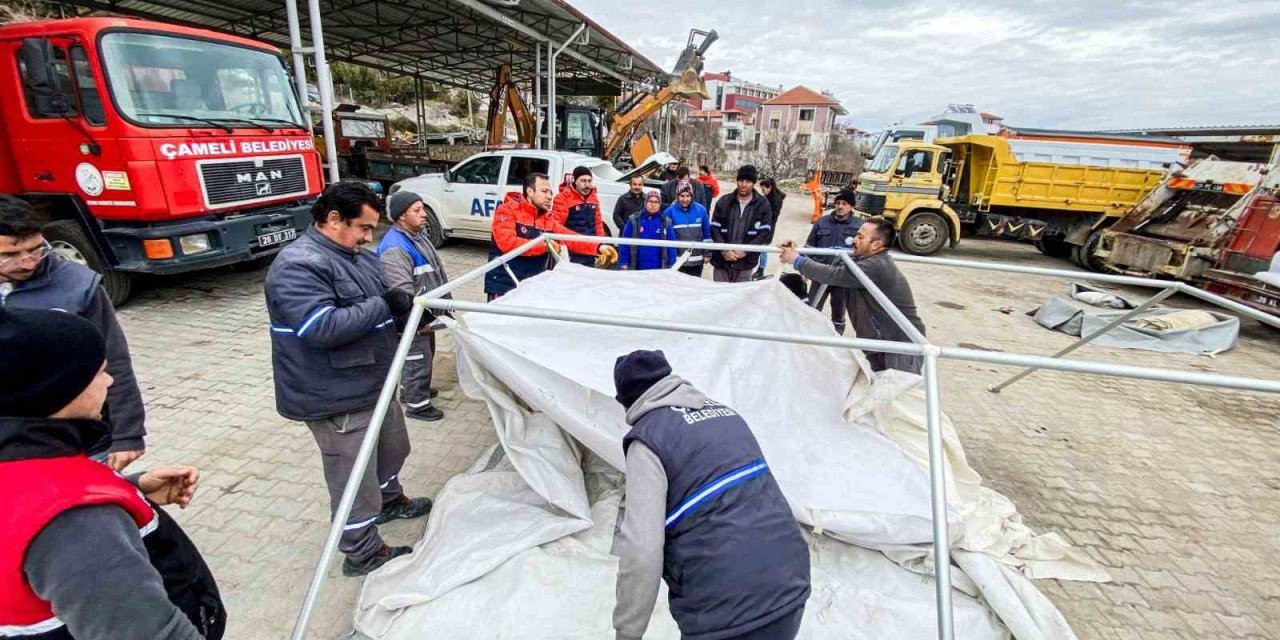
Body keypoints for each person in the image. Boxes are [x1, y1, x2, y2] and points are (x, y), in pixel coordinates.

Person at [0, 307, 225, 640]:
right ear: (59, 391)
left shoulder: (24, 460)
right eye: (100, 372)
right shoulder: (75, 522)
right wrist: (101, 510)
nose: (110, 381)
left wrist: (133, 490)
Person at [264, 181, 433, 577]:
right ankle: (361, 551)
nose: (368, 237)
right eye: (363, 228)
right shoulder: (297, 265)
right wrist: (384, 306)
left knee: (393, 448)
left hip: (372, 383)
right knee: (353, 477)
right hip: (335, 395)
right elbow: (319, 327)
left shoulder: (356, 256)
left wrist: (409, 314)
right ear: (333, 219)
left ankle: (390, 500)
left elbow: (385, 300)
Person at [611, 349, 810, 640]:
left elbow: (642, 551)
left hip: (726, 609)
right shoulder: (728, 416)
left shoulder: (648, 440)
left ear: (626, 400)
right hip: (790, 585)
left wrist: (627, 632)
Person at [0, 194, 146, 471]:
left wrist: (127, 434)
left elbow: (113, 357)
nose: (28, 263)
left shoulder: (77, 286)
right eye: (9, 256)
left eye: (36, 249)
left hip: (80, 443)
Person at [780, 219, 926, 373]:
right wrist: (799, 253)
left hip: (899, 346)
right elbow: (831, 264)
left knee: (896, 387)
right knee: (878, 384)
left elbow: (834, 274)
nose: (853, 240)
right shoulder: (864, 260)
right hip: (878, 343)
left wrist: (797, 260)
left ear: (876, 245)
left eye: (860, 237)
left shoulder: (876, 266)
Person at [376, 191, 450, 422]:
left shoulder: (416, 235)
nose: (424, 214)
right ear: (401, 216)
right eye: (416, 210)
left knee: (424, 355)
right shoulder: (395, 248)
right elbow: (401, 294)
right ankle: (417, 405)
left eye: (423, 208)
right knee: (417, 359)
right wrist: (415, 321)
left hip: (424, 315)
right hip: (413, 319)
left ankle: (412, 391)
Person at [484, 173, 610, 299]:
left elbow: (568, 237)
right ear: (529, 191)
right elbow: (507, 242)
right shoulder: (506, 210)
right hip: (503, 283)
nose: (550, 196)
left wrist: (599, 247)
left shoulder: (546, 218)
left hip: (530, 285)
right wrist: (545, 246)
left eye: (550, 192)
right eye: (544, 191)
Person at [803, 188, 864, 334]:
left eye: (844, 203)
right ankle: (809, 337)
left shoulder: (860, 226)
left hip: (842, 277)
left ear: (851, 206)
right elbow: (809, 247)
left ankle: (836, 337)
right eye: (838, 203)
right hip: (820, 273)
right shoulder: (822, 222)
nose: (840, 206)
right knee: (812, 308)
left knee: (839, 312)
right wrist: (804, 270)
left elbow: (863, 253)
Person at [709, 165, 775, 283]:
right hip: (722, 262)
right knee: (719, 293)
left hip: (746, 263)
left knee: (741, 294)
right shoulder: (724, 201)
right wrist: (724, 251)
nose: (743, 185)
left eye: (748, 181)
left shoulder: (763, 204)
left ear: (754, 183)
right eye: (741, 181)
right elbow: (714, 228)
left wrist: (746, 250)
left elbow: (764, 232)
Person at [552, 167, 608, 266]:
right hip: (572, 251)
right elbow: (556, 226)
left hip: (591, 249)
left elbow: (598, 224)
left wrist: (601, 244)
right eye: (583, 181)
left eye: (589, 181)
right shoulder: (563, 198)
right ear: (575, 181)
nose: (587, 185)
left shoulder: (593, 197)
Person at [618, 192, 677, 271]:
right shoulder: (634, 220)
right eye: (650, 201)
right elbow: (625, 243)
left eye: (656, 202)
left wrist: (672, 265)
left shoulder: (666, 222)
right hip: (637, 269)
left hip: (659, 270)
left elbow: (672, 246)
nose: (653, 205)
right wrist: (623, 263)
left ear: (660, 204)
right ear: (645, 202)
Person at [664, 181, 712, 278]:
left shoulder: (701, 210)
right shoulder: (669, 212)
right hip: (677, 260)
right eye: (682, 196)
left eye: (688, 196)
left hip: (696, 260)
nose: (685, 199)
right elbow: (666, 237)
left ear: (692, 196)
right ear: (677, 196)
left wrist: (707, 253)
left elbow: (707, 233)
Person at [754, 177, 787, 279]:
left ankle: (761, 270)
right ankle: (760, 269)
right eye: (762, 189)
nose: (763, 192)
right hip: (763, 226)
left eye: (764, 189)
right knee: (760, 248)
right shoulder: (768, 197)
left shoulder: (775, 200)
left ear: (770, 188)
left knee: (763, 249)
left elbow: (772, 216)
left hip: (768, 227)